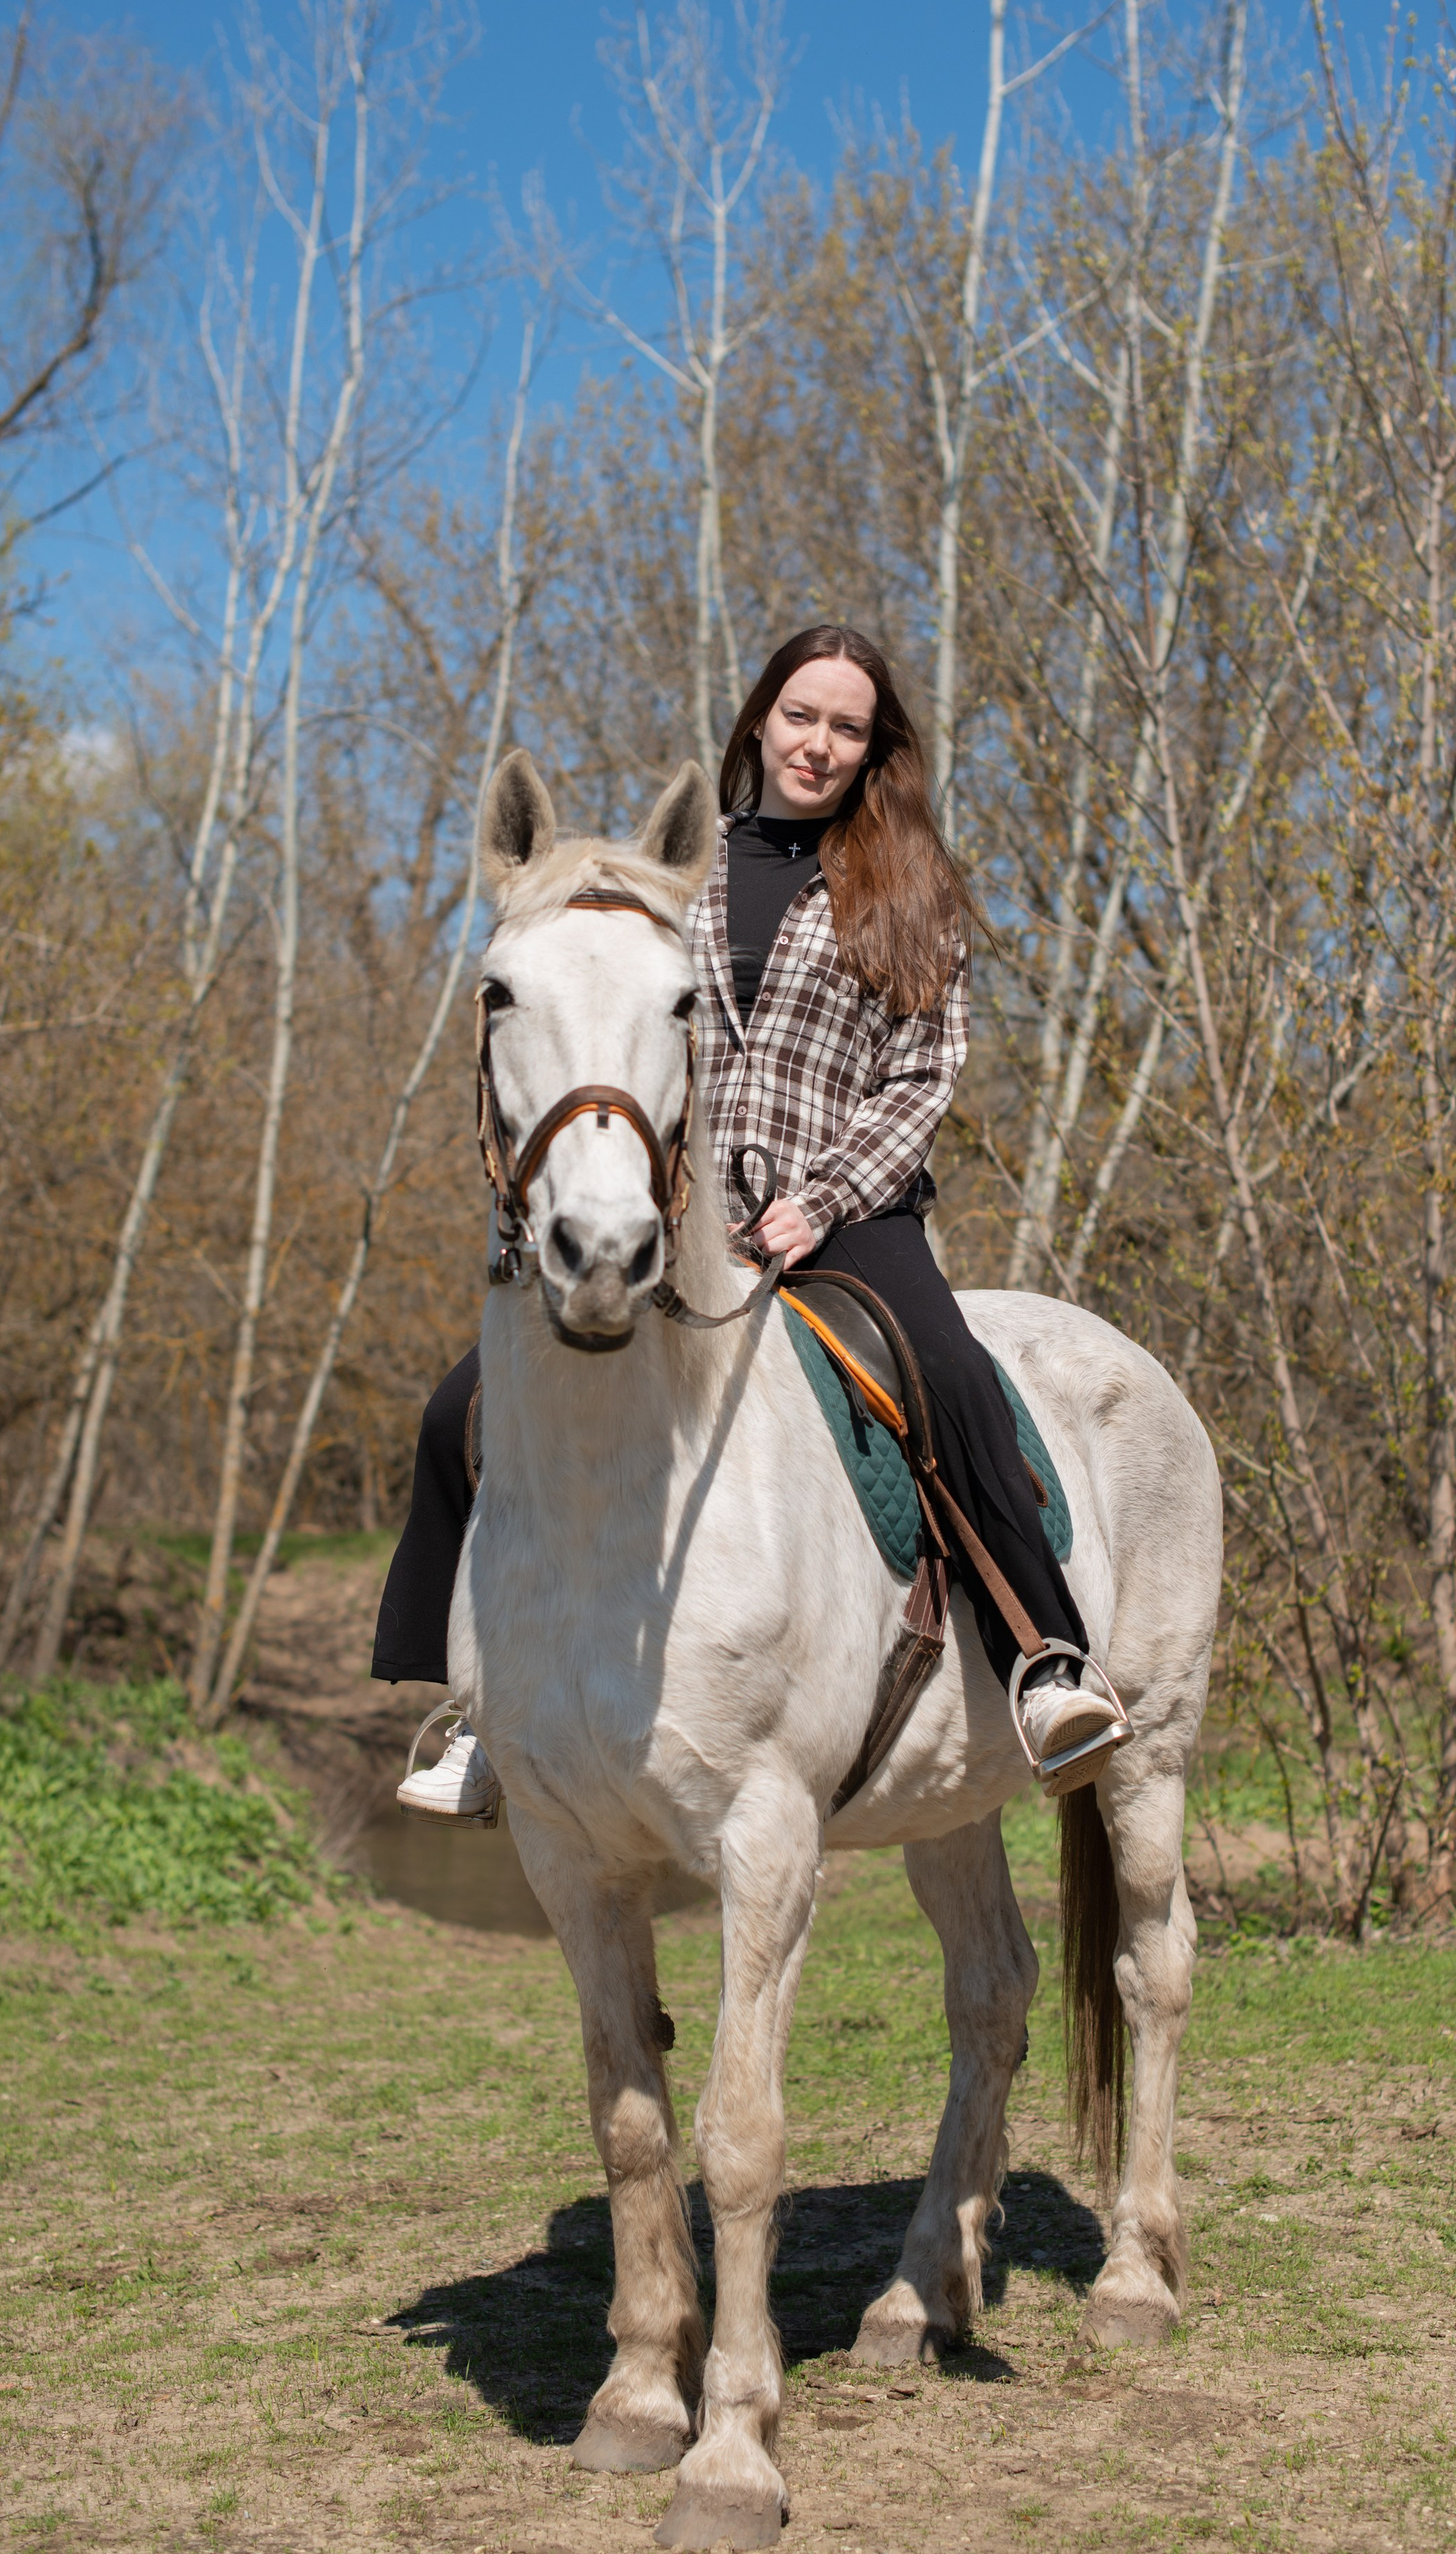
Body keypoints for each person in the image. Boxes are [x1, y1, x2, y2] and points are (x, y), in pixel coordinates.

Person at [380, 623, 1129, 1814]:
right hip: (684, 1217)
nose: (818, 744)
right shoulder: (683, 878)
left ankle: (1046, 1656)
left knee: (950, 1373)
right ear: (760, 721)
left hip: (849, 1215)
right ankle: (487, 1713)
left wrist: (819, 1200)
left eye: (847, 726)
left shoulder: (913, 892)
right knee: (462, 1407)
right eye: (800, 716)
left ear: (874, 749)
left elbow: (924, 1078)